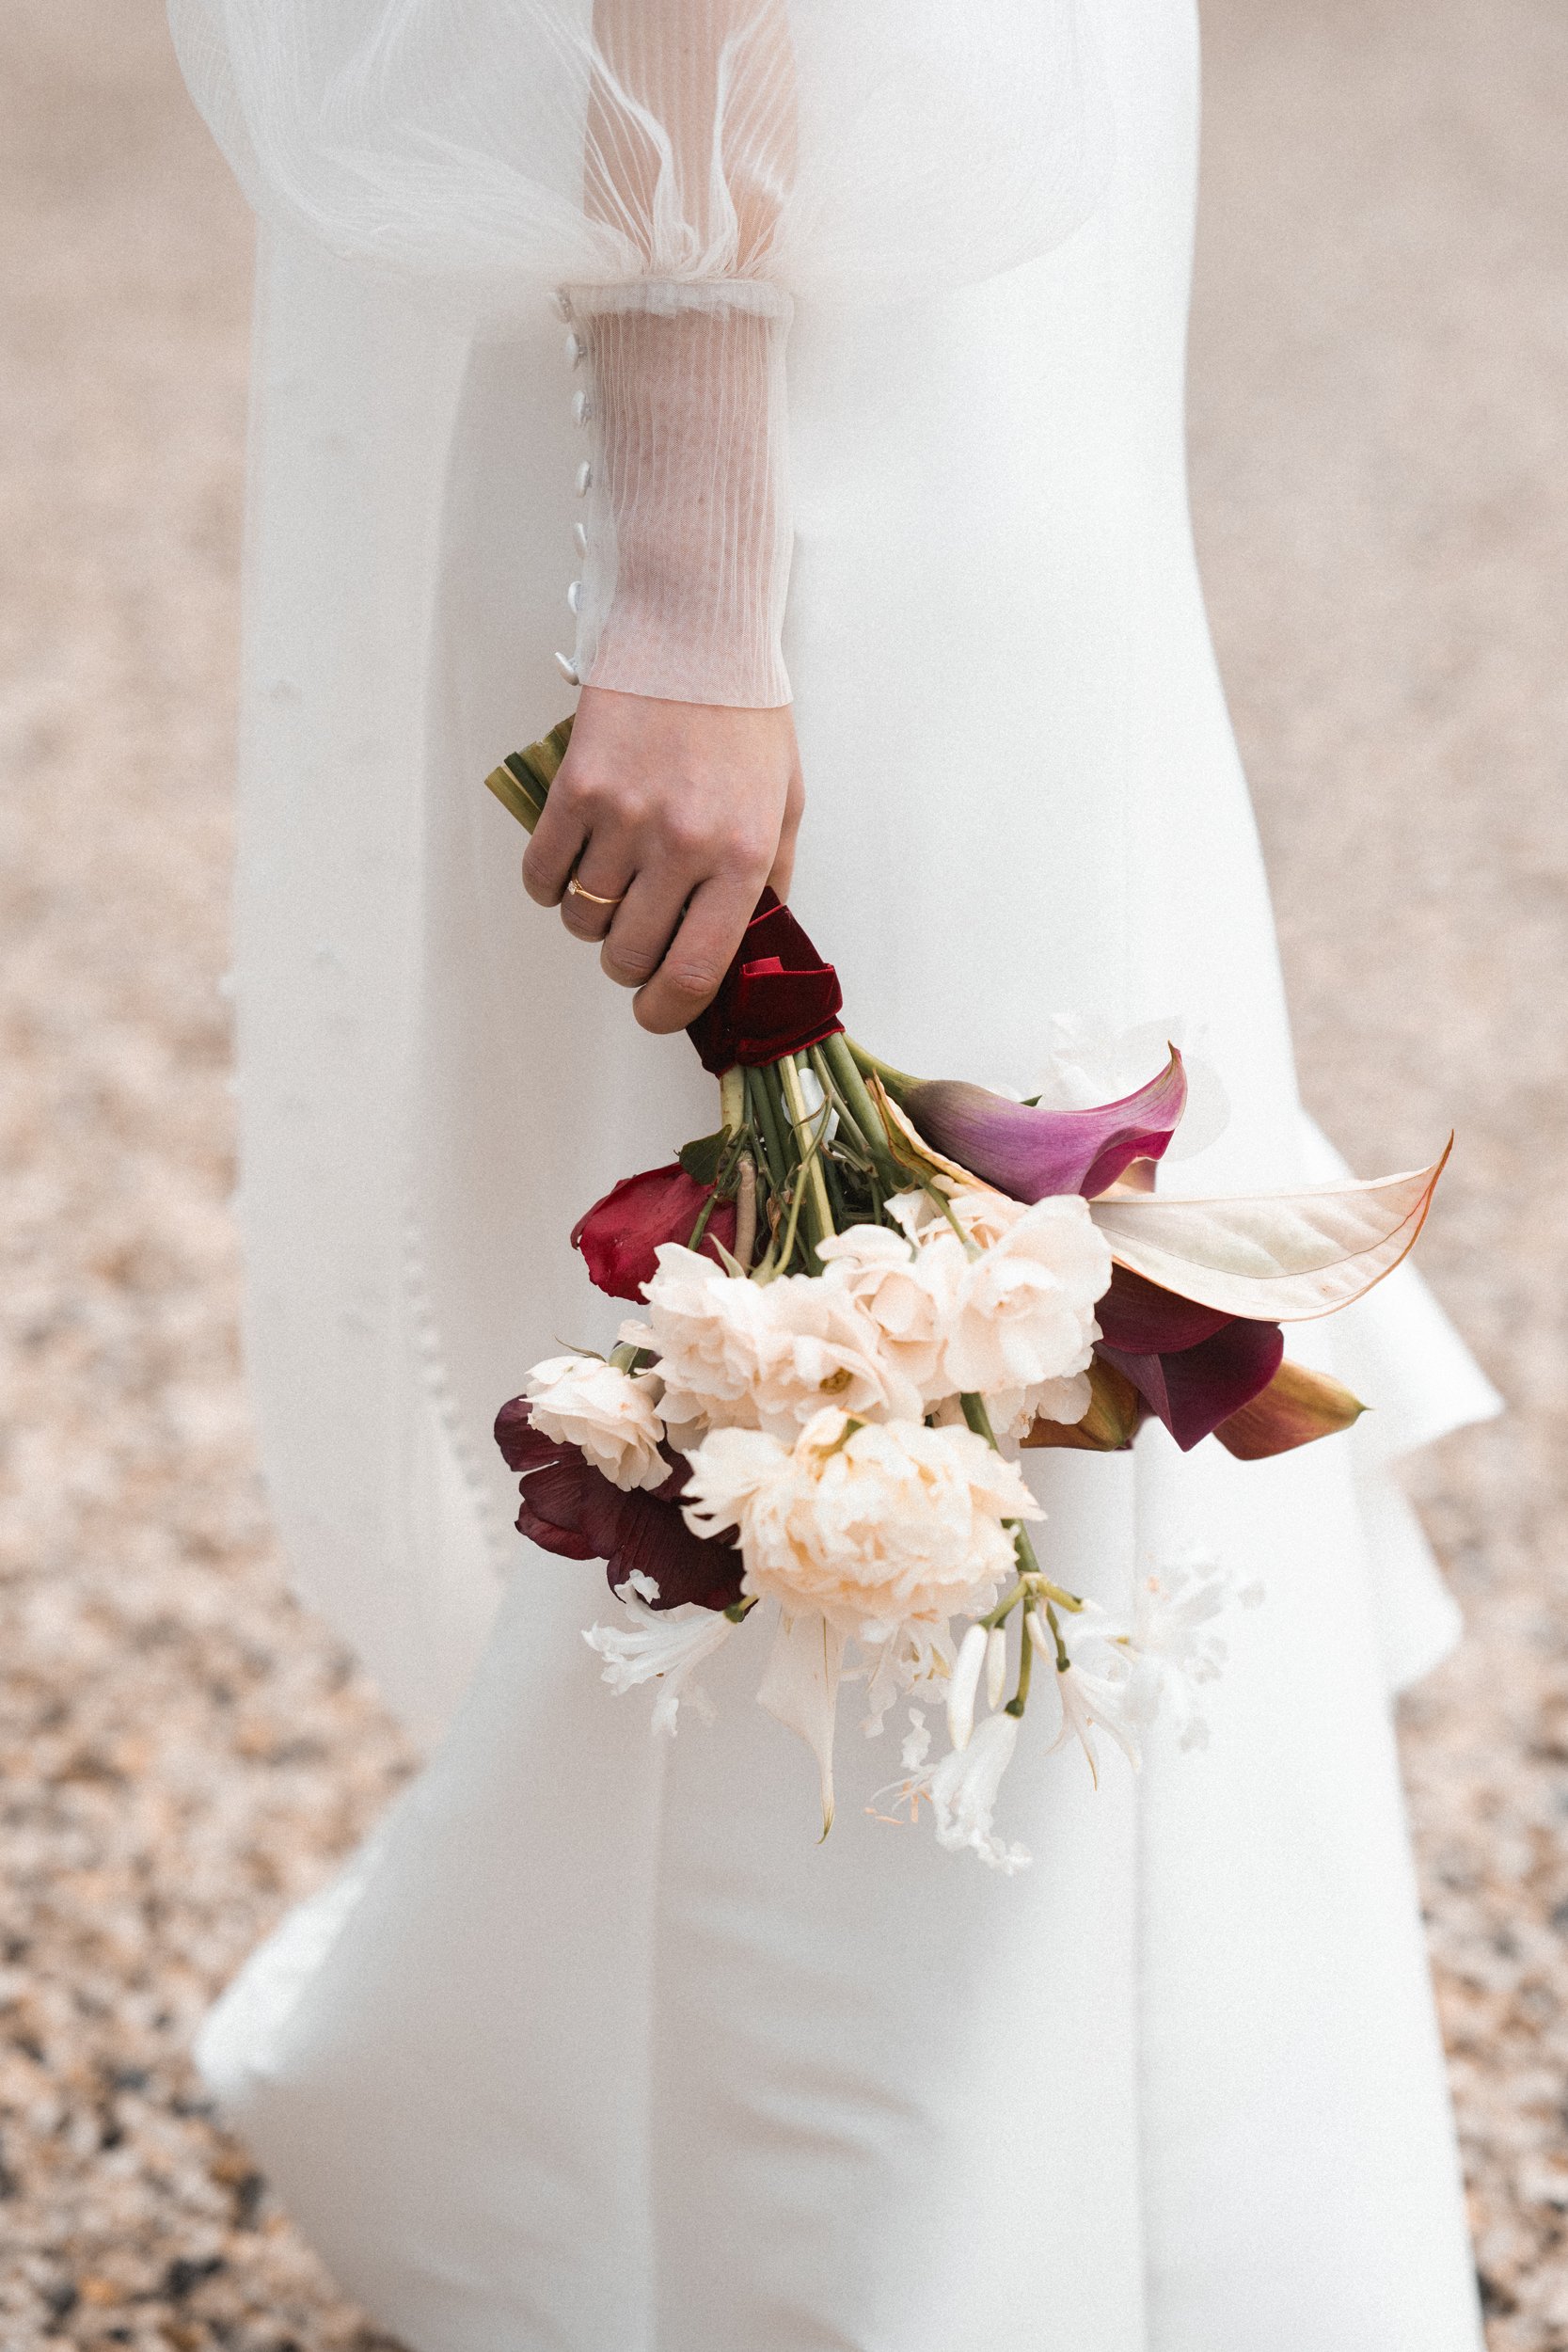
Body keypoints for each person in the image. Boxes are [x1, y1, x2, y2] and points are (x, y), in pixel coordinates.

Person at [169, 3, 1499, 2344]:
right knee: (851, 1410)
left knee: (951, 1371)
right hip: (778, 433)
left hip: (892, 373)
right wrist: (690, 551)